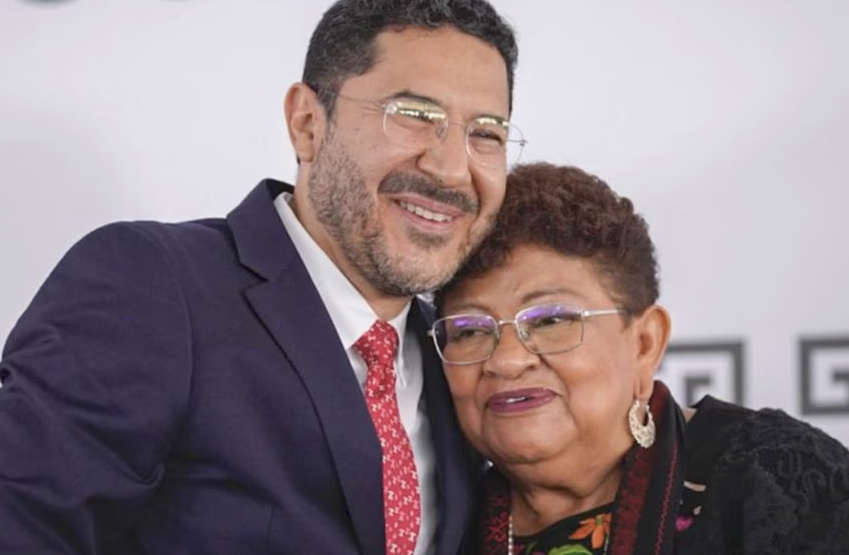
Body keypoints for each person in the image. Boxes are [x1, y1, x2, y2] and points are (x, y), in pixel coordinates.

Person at [0, 1, 525, 554]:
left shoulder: (462, 355)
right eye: (414, 113)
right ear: (307, 124)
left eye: (486, 133)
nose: (451, 169)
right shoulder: (152, 283)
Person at [431, 162, 849, 555]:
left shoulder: (776, 479)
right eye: (470, 330)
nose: (506, 360)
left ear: (645, 343)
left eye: (550, 320)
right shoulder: (436, 521)